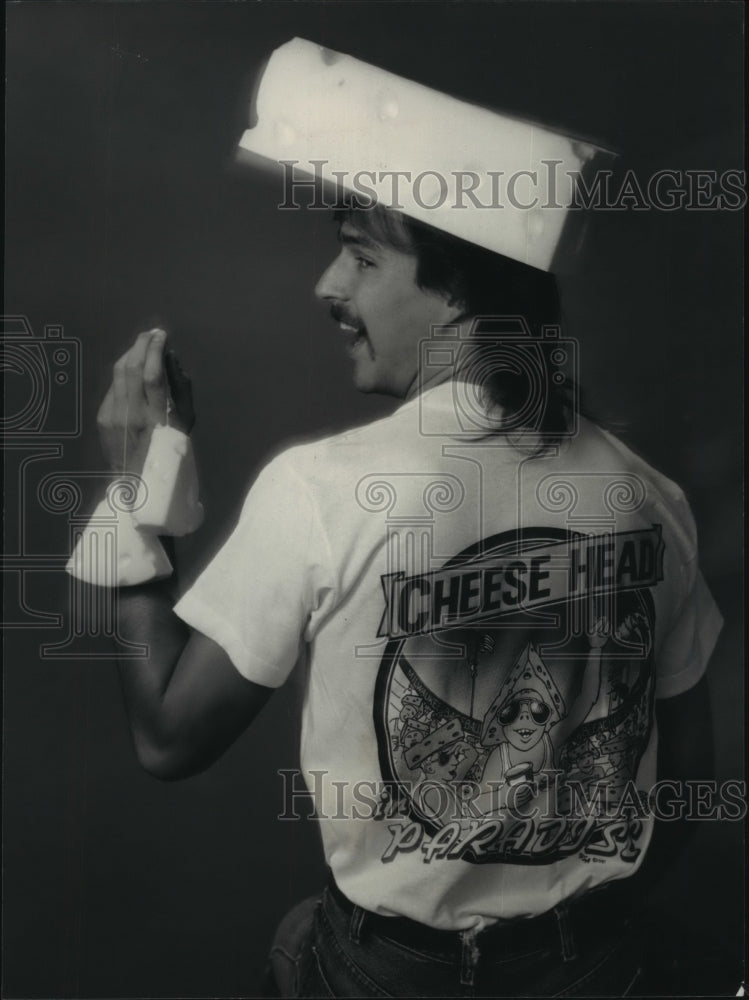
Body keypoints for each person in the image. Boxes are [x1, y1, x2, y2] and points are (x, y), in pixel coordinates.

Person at [87, 41, 723, 999]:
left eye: (361, 255)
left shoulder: (321, 489)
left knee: (300, 944)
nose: (327, 287)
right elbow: (689, 778)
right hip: (597, 965)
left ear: (458, 289)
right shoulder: (647, 494)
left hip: (390, 977)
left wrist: (140, 486)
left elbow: (168, 738)